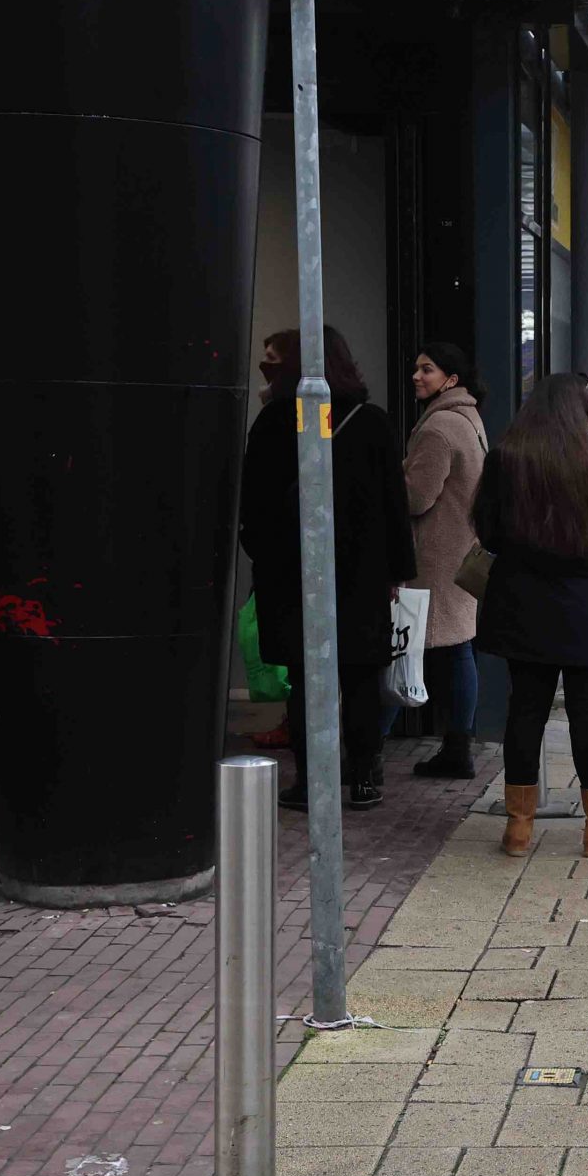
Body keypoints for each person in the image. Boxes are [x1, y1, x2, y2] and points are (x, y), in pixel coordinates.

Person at [475, 374, 588, 857]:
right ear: (586, 416)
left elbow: (489, 533)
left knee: (526, 711)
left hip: (522, 605)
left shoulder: (505, 460)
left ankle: (518, 827)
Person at [240, 325, 416, 811]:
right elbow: (394, 505)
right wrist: (398, 570)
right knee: (360, 678)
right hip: (361, 576)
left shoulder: (276, 420)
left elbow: (252, 506)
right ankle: (364, 778)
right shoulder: (372, 421)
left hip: (295, 575)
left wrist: (266, 554)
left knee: (304, 679)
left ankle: (311, 781)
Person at [400, 342, 490, 779]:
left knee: (413, 649)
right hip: (460, 550)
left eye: (427, 369)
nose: (417, 376)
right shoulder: (469, 420)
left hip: (433, 555)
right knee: (456, 648)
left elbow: (417, 498)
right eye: (416, 368)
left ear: (451, 380)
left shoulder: (438, 429)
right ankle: (458, 747)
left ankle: (363, 755)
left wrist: (394, 476)